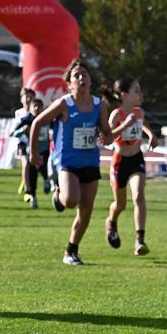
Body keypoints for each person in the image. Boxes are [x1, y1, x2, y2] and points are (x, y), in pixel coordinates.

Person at [29, 60, 112, 266]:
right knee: (71, 200)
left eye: (85, 74)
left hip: (90, 160)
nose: (81, 78)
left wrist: (106, 137)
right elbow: (37, 122)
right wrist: (33, 153)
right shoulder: (64, 104)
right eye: (77, 75)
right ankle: (59, 194)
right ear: (69, 83)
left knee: (86, 209)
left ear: (90, 80)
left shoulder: (99, 105)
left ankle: (71, 250)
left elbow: (106, 132)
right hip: (67, 160)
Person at [103, 78, 156, 257]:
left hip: (136, 159)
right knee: (120, 204)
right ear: (124, 95)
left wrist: (151, 135)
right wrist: (125, 125)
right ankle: (111, 221)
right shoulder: (116, 115)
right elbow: (107, 138)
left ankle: (139, 240)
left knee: (139, 196)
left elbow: (143, 124)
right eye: (136, 91)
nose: (141, 94)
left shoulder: (138, 112)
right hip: (120, 162)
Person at [11, 97, 50, 209]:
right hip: (32, 150)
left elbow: (55, 128)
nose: (37, 108)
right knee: (32, 173)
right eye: (35, 106)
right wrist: (22, 130)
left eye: (39, 106)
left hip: (44, 149)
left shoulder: (47, 118)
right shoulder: (27, 119)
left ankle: (46, 180)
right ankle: (33, 197)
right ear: (31, 108)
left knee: (43, 168)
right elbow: (14, 133)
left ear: (43, 108)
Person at [13, 87, 35, 197]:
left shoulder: (36, 112)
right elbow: (15, 130)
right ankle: (27, 191)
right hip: (22, 143)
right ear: (21, 99)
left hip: (34, 143)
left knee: (33, 168)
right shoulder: (19, 113)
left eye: (31, 97)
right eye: (26, 97)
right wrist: (23, 129)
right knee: (25, 164)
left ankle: (25, 181)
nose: (28, 99)